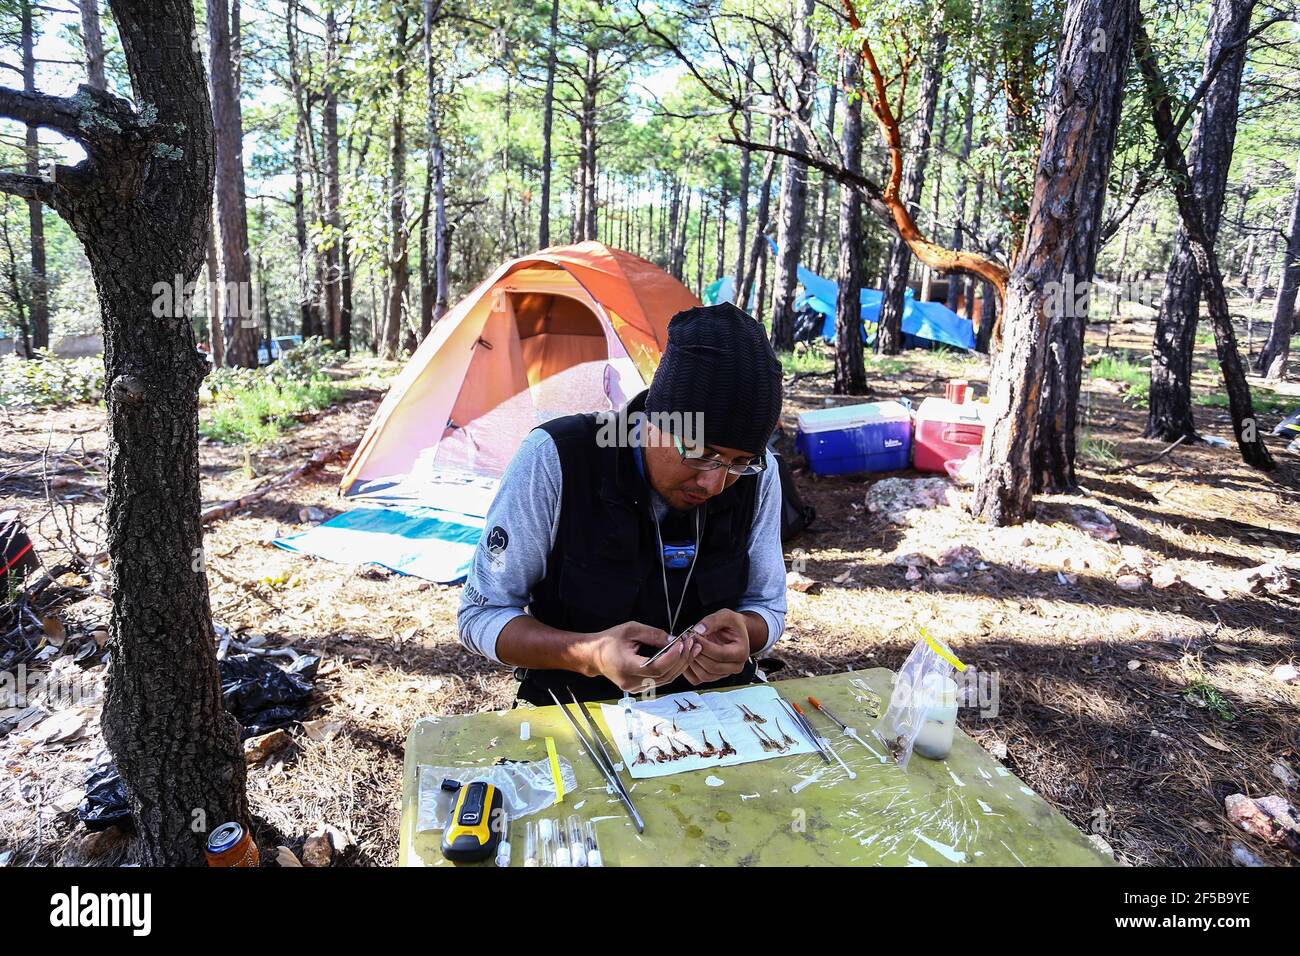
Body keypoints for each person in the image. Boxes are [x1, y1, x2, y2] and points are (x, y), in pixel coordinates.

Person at [457, 302, 788, 704]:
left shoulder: (761, 472)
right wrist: (590, 655)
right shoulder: (558, 458)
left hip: (716, 705)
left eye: (738, 464)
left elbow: (767, 608)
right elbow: (481, 615)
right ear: (654, 420)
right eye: (699, 452)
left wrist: (747, 635)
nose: (715, 483)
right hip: (576, 703)